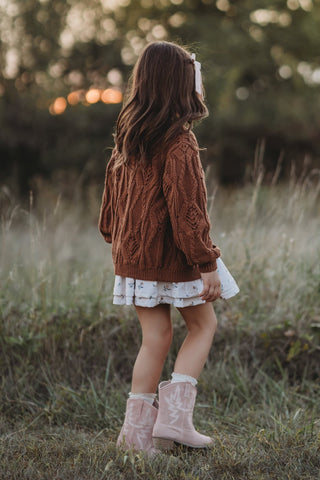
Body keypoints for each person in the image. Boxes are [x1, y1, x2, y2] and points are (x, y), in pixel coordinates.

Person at [98, 41, 238, 456]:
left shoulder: (128, 138)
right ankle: (174, 422)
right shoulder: (180, 143)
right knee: (203, 326)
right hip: (174, 258)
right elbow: (188, 211)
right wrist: (206, 262)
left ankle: (135, 438)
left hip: (133, 258)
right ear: (181, 87)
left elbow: (110, 207)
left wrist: (118, 239)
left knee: (155, 337)